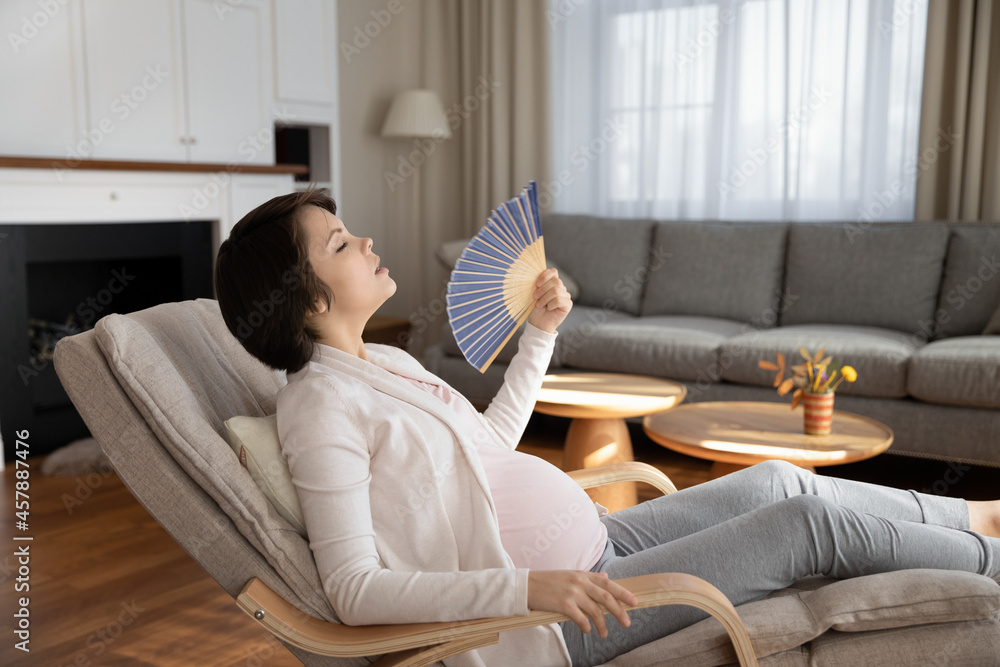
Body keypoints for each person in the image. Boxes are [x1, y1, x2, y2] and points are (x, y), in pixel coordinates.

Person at [215, 188, 1000, 667]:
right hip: (565, 621)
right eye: (343, 243)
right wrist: (534, 586)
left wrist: (541, 336)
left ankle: (976, 517)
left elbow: (488, 451)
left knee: (775, 479)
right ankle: (990, 561)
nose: (369, 242)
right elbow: (355, 590)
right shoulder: (319, 406)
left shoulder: (386, 365)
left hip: (600, 542)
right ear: (308, 299)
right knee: (809, 522)